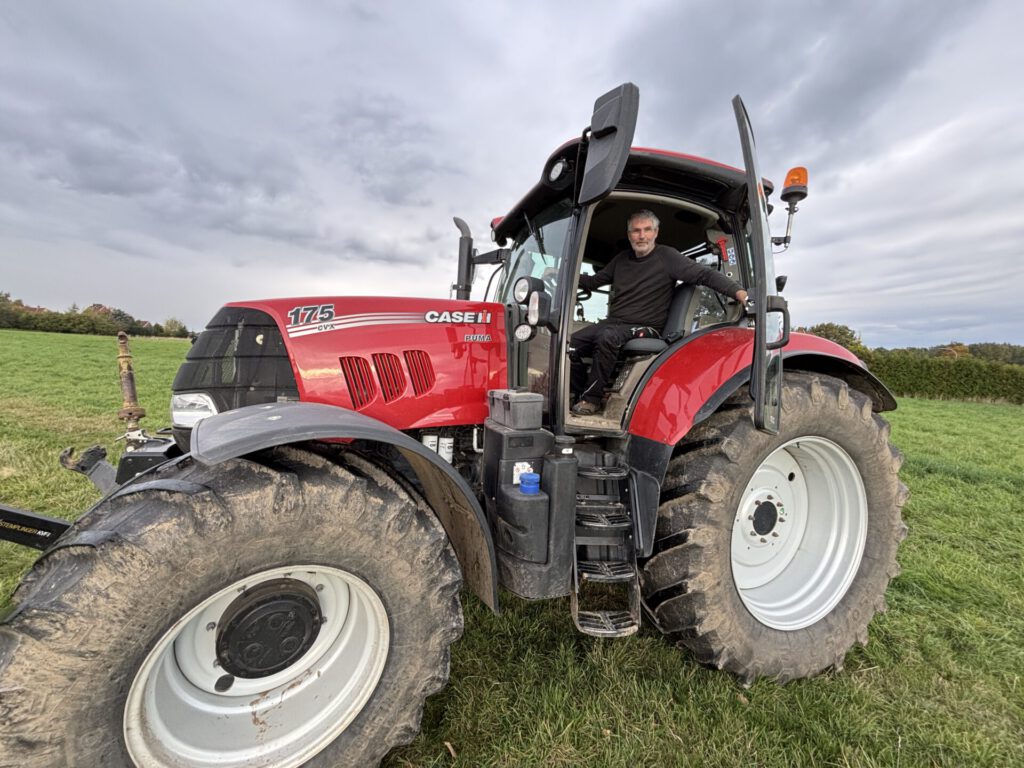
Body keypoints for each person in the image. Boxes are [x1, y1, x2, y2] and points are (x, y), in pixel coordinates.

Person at [569, 210, 748, 416]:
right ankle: (578, 393)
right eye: (636, 231)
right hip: (614, 323)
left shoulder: (667, 257)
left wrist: (740, 293)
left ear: (655, 232)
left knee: (607, 337)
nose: (641, 236)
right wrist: (561, 274)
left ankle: (591, 400)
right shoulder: (621, 260)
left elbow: (704, 274)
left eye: (647, 230)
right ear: (629, 235)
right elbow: (594, 281)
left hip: (648, 327)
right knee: (569, 345)